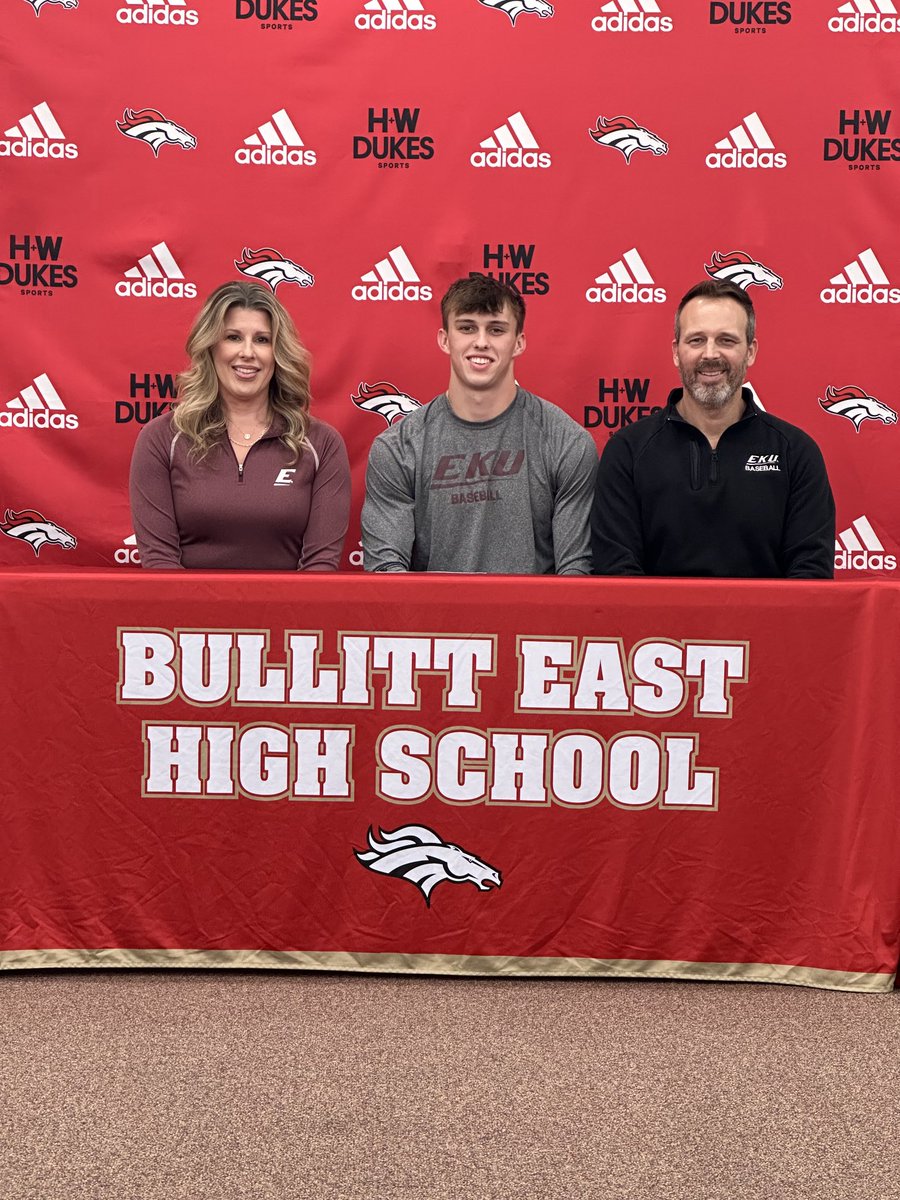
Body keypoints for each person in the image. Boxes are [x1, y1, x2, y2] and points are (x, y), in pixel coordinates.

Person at [591, 279, 835, 578]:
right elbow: (617, 573)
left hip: (762, 626)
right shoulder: (628, 451)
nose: (710, 354)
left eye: (726, 340)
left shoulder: (795, 453)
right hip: (657, 626)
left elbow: (810, 575)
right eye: (696, 340)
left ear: (750, 351)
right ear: (676, 351)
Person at [361, 274, 598, 574]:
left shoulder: (566, 443)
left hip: (531, 620)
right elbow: (386, 573)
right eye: (467, 328)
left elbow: (576, 575)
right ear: (445, 340)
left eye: (496, 330)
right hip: (430, 621)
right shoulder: (397, 448)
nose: (481, 342)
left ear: (519, 343)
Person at [130, 281, 350, 570]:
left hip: (290, 615)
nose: (247, 352)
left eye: (262, 340)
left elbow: (320, 566)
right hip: (185, 615)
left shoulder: (321, 443)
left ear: (278, 352)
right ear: (210, 347)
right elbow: (160, 563)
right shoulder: (161, 439)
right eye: (233, 337)